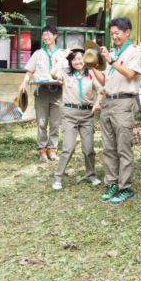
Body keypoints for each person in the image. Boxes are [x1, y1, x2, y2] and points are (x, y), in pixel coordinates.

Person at [96, 18, 141, 205]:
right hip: (108, 102)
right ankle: (112, 183)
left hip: (124, 103)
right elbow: (104, 80)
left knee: (123, 148)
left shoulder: (135, 51)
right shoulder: (112, 54)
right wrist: (92, 67)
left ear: (127, 33)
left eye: (117, 33)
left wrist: (112, 60)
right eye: (112, 33)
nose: (114, 36)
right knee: (108, 148)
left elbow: (131, 74)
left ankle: (126, 187)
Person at [50, 44, 104, 190]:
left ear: (85, 59)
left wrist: (97, 104)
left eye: (80, 58)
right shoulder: (66, 73)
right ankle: (58, 177)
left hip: (87, 115)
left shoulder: (91, 74)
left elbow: (101, 90)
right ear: (70, 62)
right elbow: (53, 73)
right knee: (68, 147)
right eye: (73, 59)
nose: (77, 62)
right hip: (69, 114)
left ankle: (91, 175)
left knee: (88, 148)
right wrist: (62, 56)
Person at [19, 25, 63, 163]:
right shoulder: (38, 53)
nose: (46, 37)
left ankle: (53, 149)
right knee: (41, 122)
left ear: (55, 36)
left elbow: (68, 72)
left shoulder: (61, 54)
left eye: (49, 34)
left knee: (56, 123)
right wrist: (23, 83)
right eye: (44, 34)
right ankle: (42, 150)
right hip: (42, 91)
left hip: (58, 92)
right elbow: (29, 71)